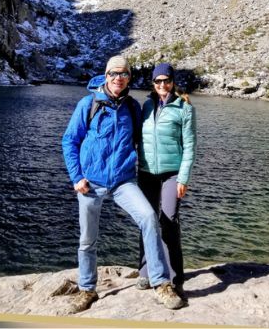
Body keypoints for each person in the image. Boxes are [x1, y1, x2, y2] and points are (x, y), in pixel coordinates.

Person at [62, 56, 184, 313]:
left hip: (122, 181)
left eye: (124, 74)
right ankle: (87, 289)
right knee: (87, 239)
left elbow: (147, 138)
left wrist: (173, 168)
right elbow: (69, 141)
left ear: (129, 78)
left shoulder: (132, 108)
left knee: (149, 217)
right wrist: (76, 177)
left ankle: (161, 283)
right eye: (114, 73)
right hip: (90, 183)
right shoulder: (89, 104)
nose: (119, 78)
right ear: (106, 76)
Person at [136, 63, 197, 302]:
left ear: (173, 81)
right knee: (147, 219)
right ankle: (145, 271)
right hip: (147, 172)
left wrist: (183, 177)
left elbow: (190, 146)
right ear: (152, 83)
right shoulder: (147, 105)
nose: (162, 85)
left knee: (169, 220)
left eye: (166, 80)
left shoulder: (184, 108)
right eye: (157, 81)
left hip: (172, 173)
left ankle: (175, 277)